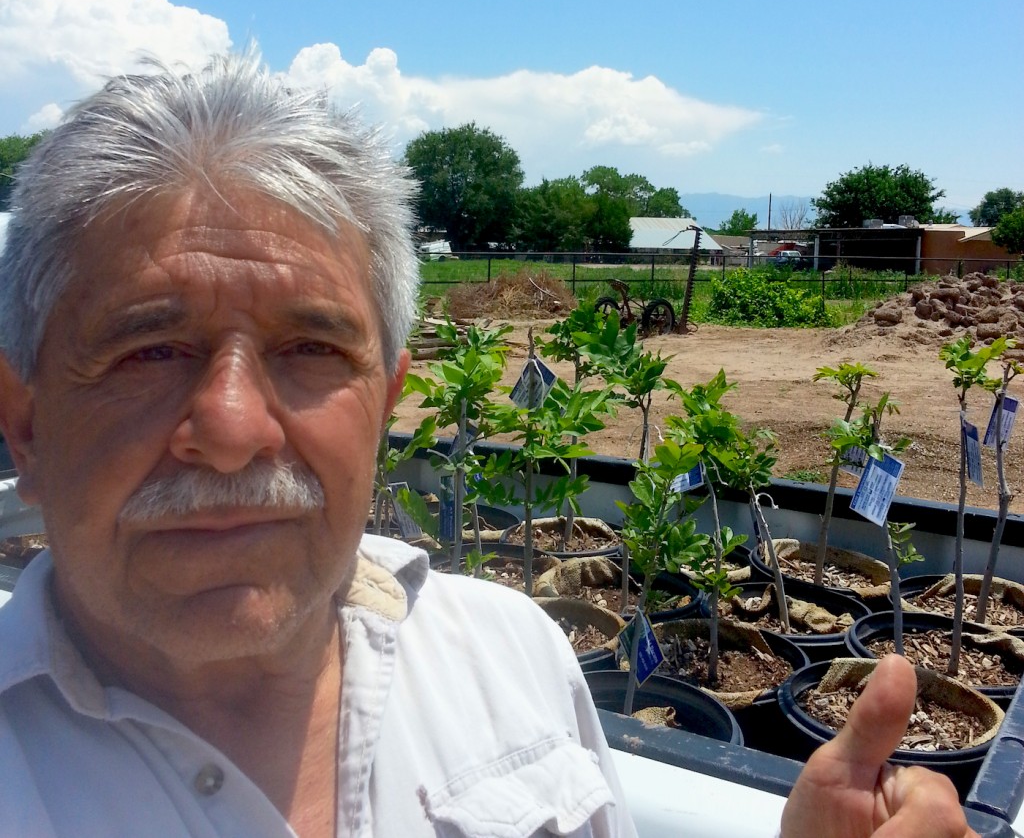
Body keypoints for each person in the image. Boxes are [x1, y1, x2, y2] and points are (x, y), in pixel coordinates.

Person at [0, 52, 975, 838]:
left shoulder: (512, 656)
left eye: (309, 348)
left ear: (386, 403)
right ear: (25, 420)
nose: (232, 426)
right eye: (148, 348)